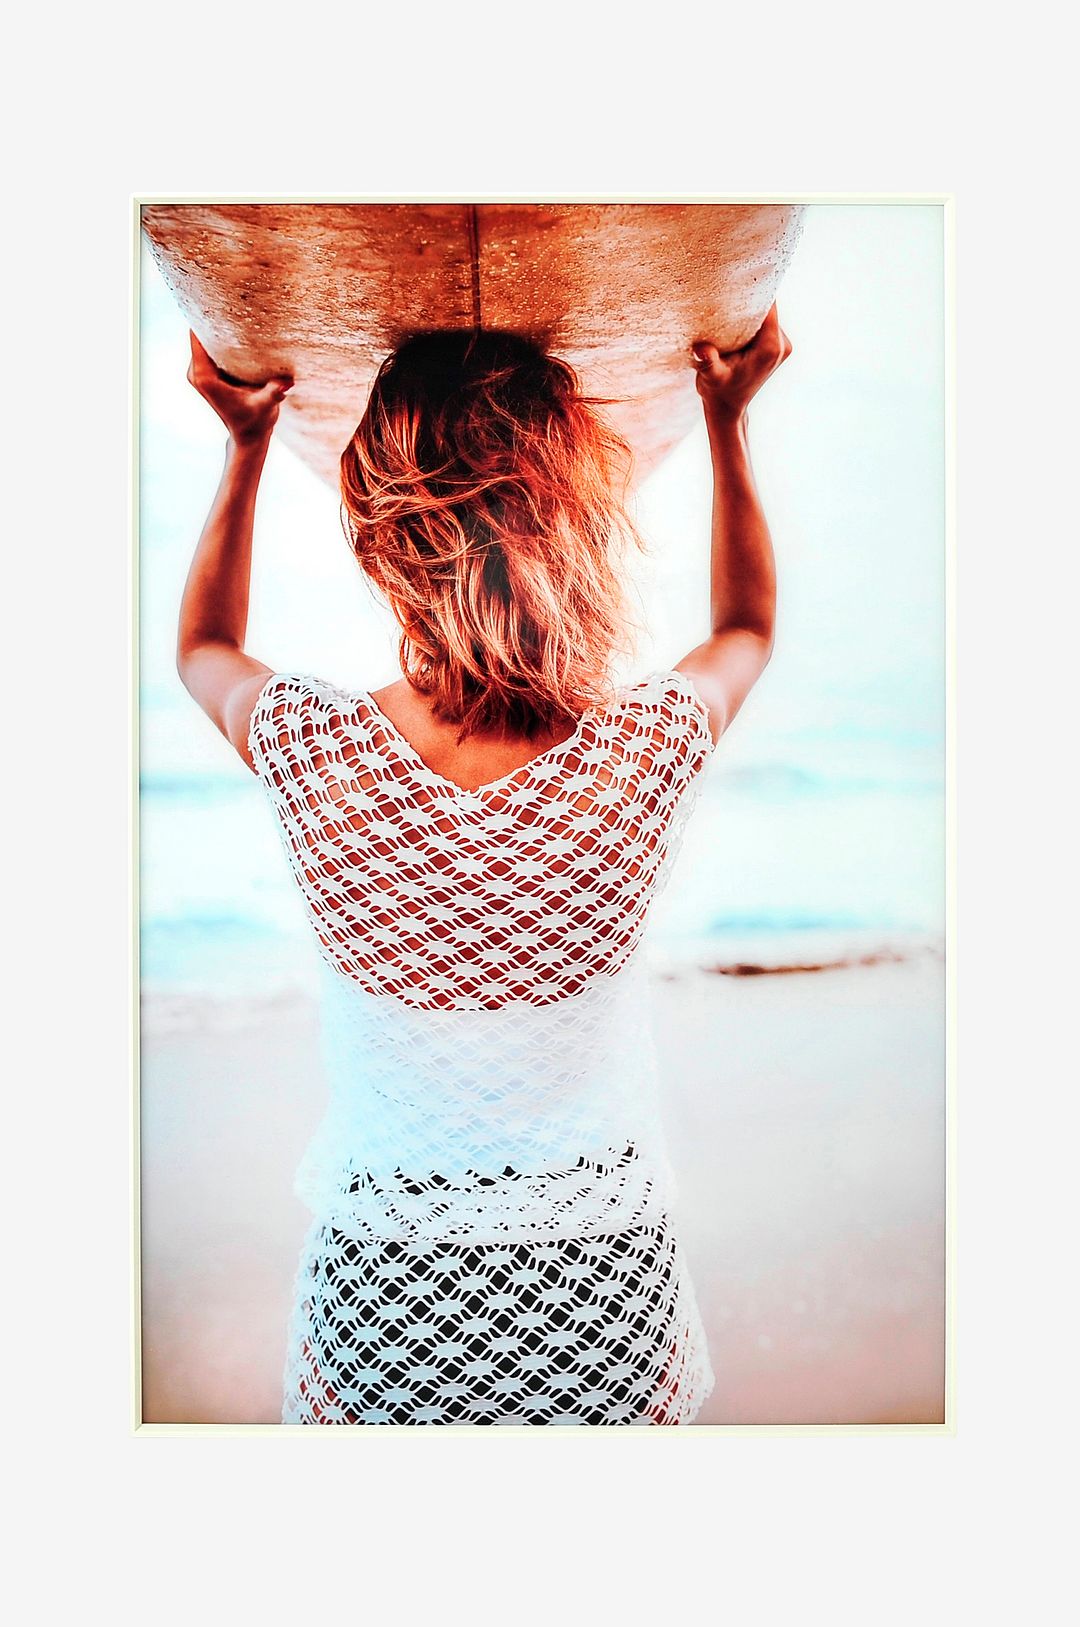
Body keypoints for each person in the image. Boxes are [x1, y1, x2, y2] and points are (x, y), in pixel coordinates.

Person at [177, 307, 792, 1425]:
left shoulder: (316, 747)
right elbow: (746, 627)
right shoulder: (640, 750)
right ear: (575, 518)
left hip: (387, 1294)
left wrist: (246, 442)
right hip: (602, 1291)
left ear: (381, 536)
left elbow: (203, 649)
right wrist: (727, 419)